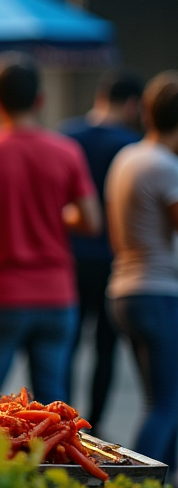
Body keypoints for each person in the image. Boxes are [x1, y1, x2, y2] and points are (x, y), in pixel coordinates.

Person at [0, 53, 101, 404]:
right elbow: (91, 221)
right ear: (40, 99)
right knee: (54, 406)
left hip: (1, 294)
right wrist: (50, 214)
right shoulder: (67, 151)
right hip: (57, 296)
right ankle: (56, 461)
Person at [59, 72, 144, 421]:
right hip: (113, 258)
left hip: (70, 256)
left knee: (68, 345)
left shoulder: (66, 135)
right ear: (132, 104)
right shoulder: (132, 144)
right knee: (106, 350)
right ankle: (94, 421)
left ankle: (61, 420)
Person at [106, 72, 178, 465]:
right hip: (157, 291)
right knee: (168, 403)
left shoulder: (127, 157)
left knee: (159, 399)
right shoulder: (165, 166)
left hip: (124, 287)